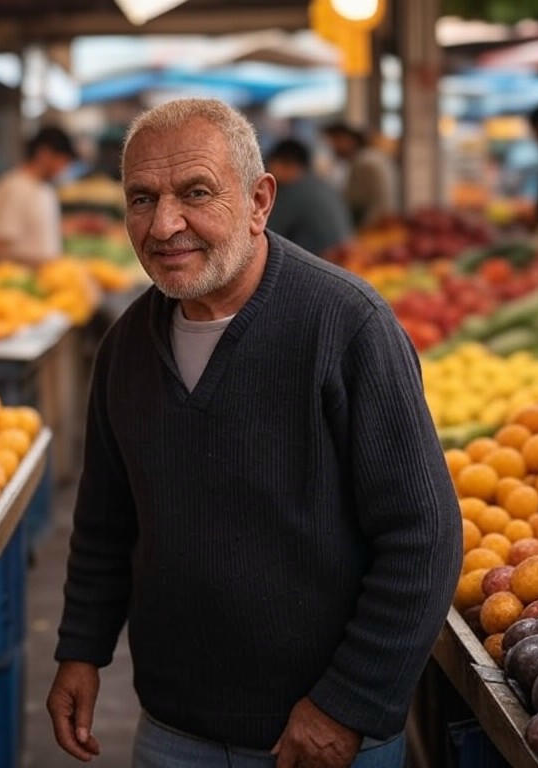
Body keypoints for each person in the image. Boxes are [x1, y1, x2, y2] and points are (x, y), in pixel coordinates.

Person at [47, 98, 461, 768]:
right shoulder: (126, 347)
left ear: (260, 200)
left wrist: (348, 703)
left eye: (197, 193)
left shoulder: (347, 326)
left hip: (323, 737)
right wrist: (80, 650)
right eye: (142, 198)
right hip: (173, 728)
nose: (164, 224)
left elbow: (425, 535)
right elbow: (104, 522)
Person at [0, 125, 77, 266]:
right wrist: (39, 265)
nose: (64, 168)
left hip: (48, 282)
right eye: (62, 160)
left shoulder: (46, 189)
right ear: (44, 153)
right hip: (20, 283)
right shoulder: (14, 187)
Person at [265, 138, 351, 256]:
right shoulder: (321, 184)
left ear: (285, 164)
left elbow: (266, 233)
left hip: (323, 261)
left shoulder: (293, 191)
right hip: (344, 258)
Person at [323, 122, 397, 229]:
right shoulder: (372, 156)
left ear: (346, 139)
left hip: (372, 226)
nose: (333, 148)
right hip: (382, 222)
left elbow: (354, 201)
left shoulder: (363, 163)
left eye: (333, 142)